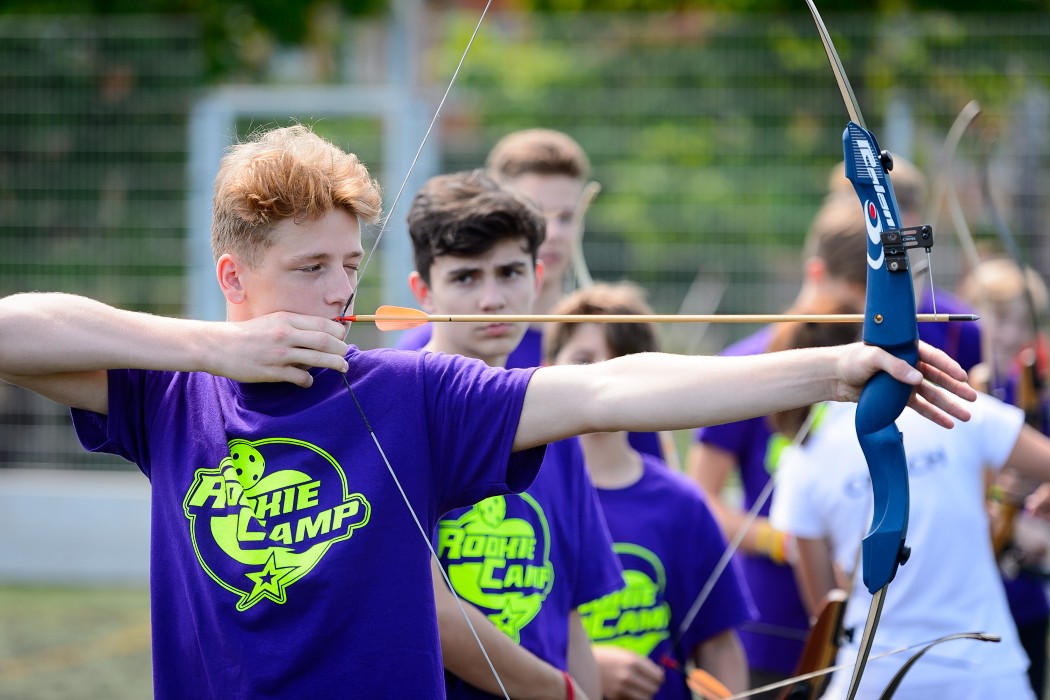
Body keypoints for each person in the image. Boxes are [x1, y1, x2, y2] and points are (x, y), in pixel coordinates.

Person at [0, 124, 975, 699]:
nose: (340, 295)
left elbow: (606, 391)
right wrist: (213, 348)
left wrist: (832, 370)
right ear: (233, 277)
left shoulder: (409, 391)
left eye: (348, 265)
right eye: (307, 270)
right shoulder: (169, 394)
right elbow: (15, 327)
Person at [405, 168, 623, 699]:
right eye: (464, 278)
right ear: (423, 291)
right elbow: (431, 612)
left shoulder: (555, 422)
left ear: (538, 274)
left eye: (509, 272)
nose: (492, 299)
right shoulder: (399, 410)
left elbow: (568, 615)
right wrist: (560, 694)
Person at [769, 305, 1050, 700]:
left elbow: (824, 608)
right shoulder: (949, 404)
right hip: (985, 674)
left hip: (873, 674)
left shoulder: (803, 458)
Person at [396, 128, 670, 463]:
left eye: (567, 217)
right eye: (538, 213)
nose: (552, 234)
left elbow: (645, 475)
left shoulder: (605, 334)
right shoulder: (424, 351)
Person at [545, 282, 753, 699]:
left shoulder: (681, 503)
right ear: (549, 366)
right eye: (583, 361)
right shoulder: (519, 493)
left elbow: (718, 645)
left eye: (621, 365)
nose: (601, 377)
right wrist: (587, 665)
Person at [959, 256, 1050, 698]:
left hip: (1024, 593)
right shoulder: (958, 393)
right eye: (998, 318)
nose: (1011, 334)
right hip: (965, 595)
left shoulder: (1037, 398)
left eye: (1022, 322)